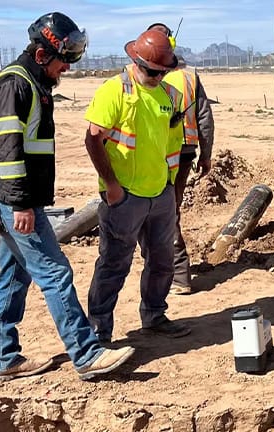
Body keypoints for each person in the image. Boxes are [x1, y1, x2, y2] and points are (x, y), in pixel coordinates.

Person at [0, 12, 134, 383]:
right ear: (42, 55)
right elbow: (8, 152)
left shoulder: (32, 83)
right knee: (55, 272)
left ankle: (3, 358)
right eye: (63, 62)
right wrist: (21, 204)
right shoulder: (16, 85)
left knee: (14, 274)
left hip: (14, 197)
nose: (66, 70)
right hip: (12, 199)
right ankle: (87, 354)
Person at [85, 29, 191, 341]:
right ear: (137, 62)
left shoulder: (169, 96)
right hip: (125, 197)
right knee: (114, 264)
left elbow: (172, 143)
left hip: (159, 194)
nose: (157, 77)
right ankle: (99, 331)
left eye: (163, 72)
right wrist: (112, 187)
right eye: (152, 71)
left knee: (162, 261)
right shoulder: (114, 91)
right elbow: (93, 140)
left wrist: (171, 187)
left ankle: (154, 315)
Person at [147, 23, 215, 295]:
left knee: (163, 214)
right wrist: (206, 155)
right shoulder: (189, 77)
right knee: (167, 211)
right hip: (185, 153)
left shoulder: (147, 74)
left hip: (158, 154)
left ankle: (178, 274)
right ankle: (169, 270)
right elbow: (205, 119)